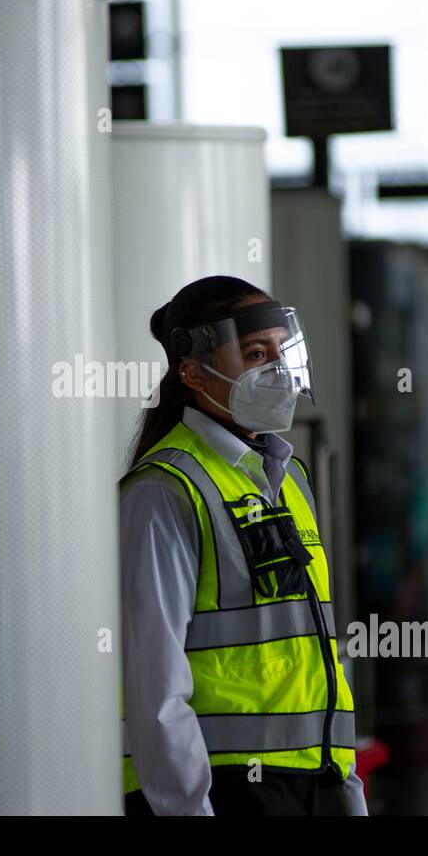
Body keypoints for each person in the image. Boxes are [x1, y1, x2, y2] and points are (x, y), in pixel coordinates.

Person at [118, 275, 367, 816]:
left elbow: (314, 651)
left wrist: (345, 787)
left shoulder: (289, 479)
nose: (276, 370)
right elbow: (152, 686)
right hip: (229, 793)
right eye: (256, 353)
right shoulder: (164, 490)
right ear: (191, 369)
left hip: (313, 786)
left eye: (282, 351)